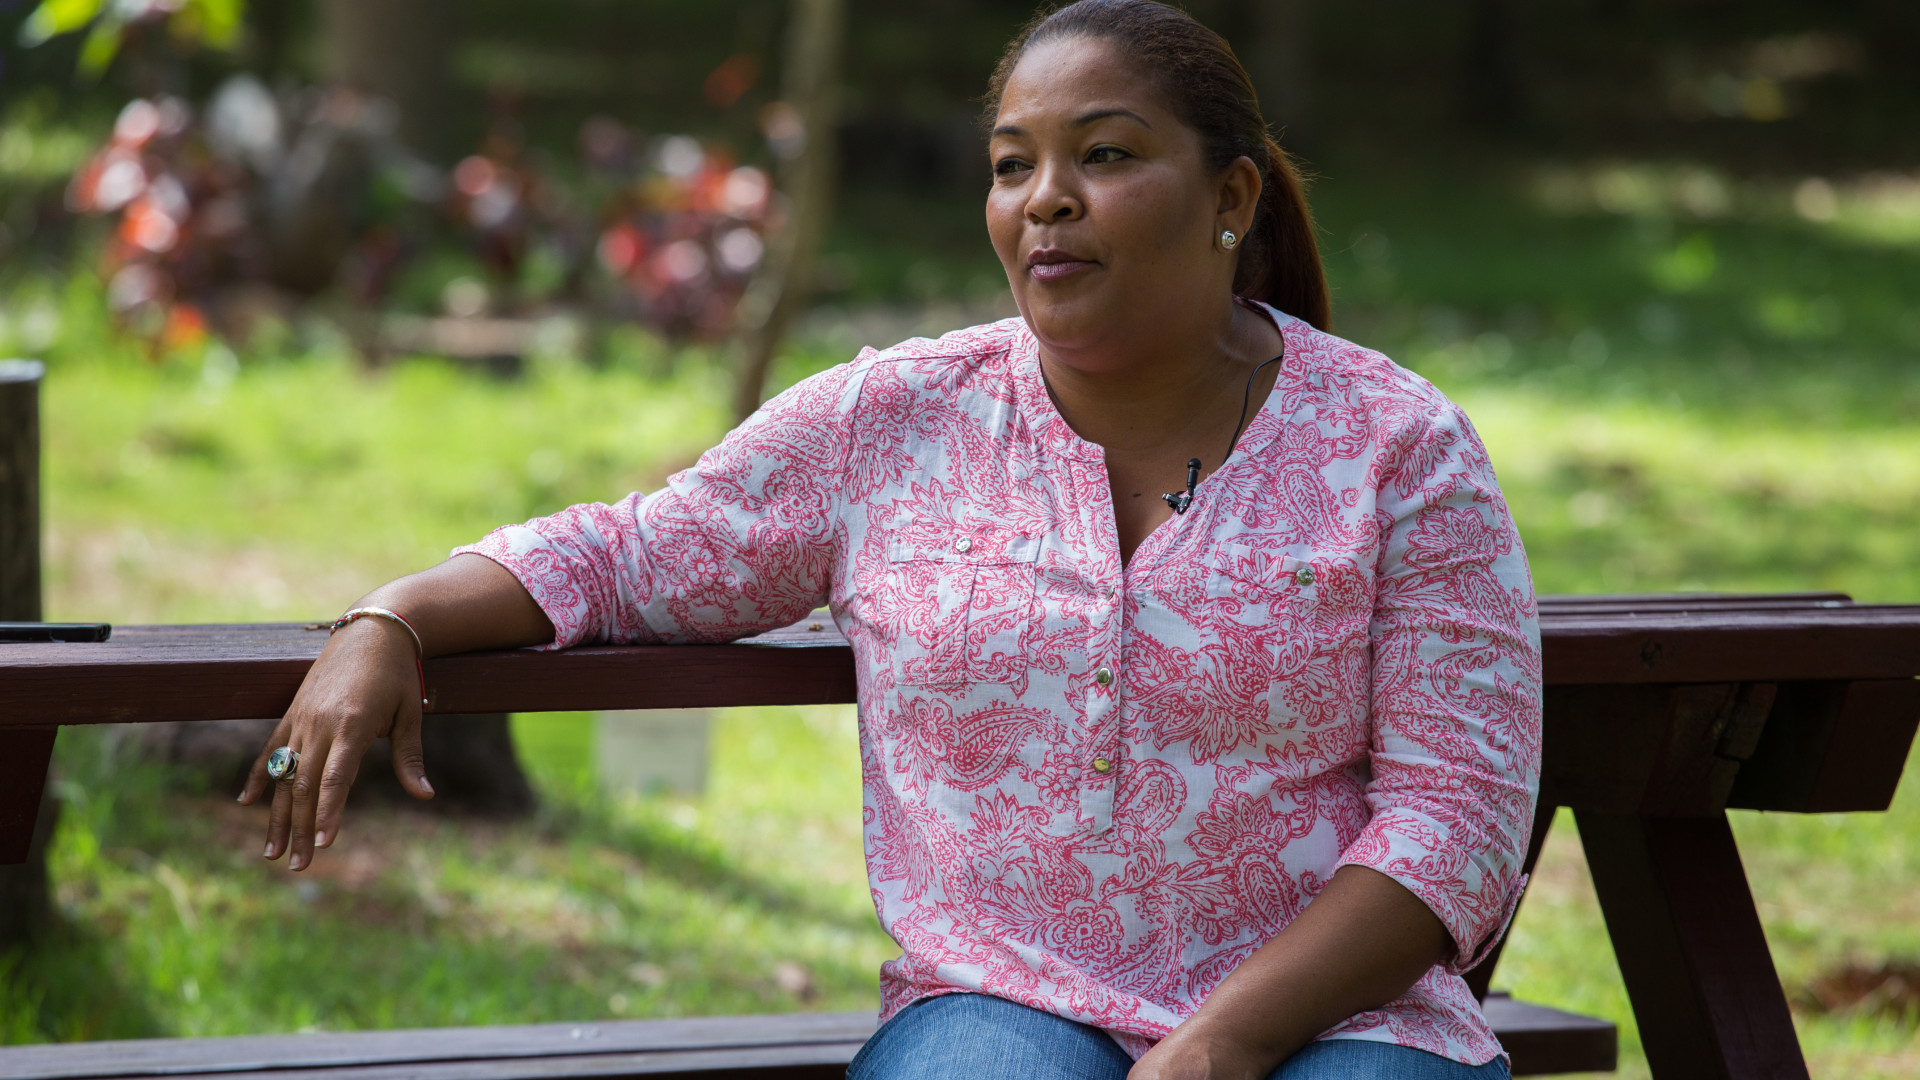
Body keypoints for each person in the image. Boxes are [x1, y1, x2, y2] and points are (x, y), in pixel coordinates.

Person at [239, 2, 1540, 1076]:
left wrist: (1222, 1044)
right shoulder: (893, 421)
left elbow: (1456, 821)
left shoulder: (1397, 447)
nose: (1046, 200)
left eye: (1103, 156)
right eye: (1013, 165)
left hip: (1343, 1022)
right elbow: (631, 555)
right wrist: (392, 618)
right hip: (1002, 1006)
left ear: (1232, 195)